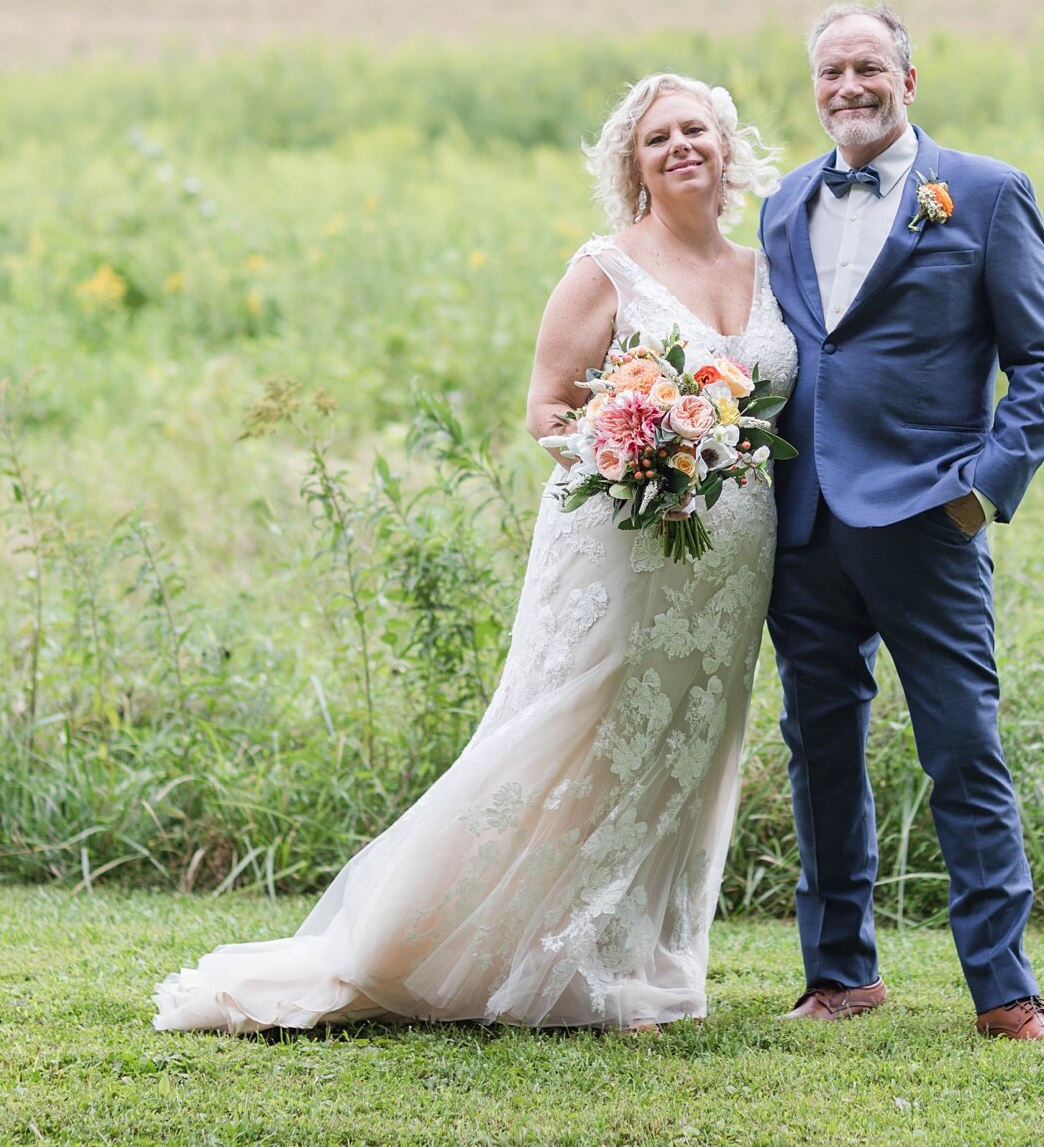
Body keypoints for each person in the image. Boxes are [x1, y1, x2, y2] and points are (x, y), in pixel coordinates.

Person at [152, 74, 795, 1034]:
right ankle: (500, 955)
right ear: (635, 165)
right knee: (579, 734)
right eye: (657, 137)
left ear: (727, 144)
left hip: (730, 555)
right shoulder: (607, 268)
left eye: (694, 129)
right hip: (624, 539)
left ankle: (632, 961)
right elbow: (548, 411)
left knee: (681, 751)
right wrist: (647, 449)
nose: (679, 147)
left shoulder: (770, 268)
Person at [759, 4, 1044, 1041]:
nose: (846, 85)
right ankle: (838, 973)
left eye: (866, 67)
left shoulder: (983, 193)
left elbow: (1043, 362)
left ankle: (1003, 991)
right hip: (802, 521)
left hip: (927, 520)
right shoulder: (781, 203)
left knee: (962, 749)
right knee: (818, 749)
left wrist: (979, 488)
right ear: (813, 87)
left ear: (907, 77)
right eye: (828, 71)